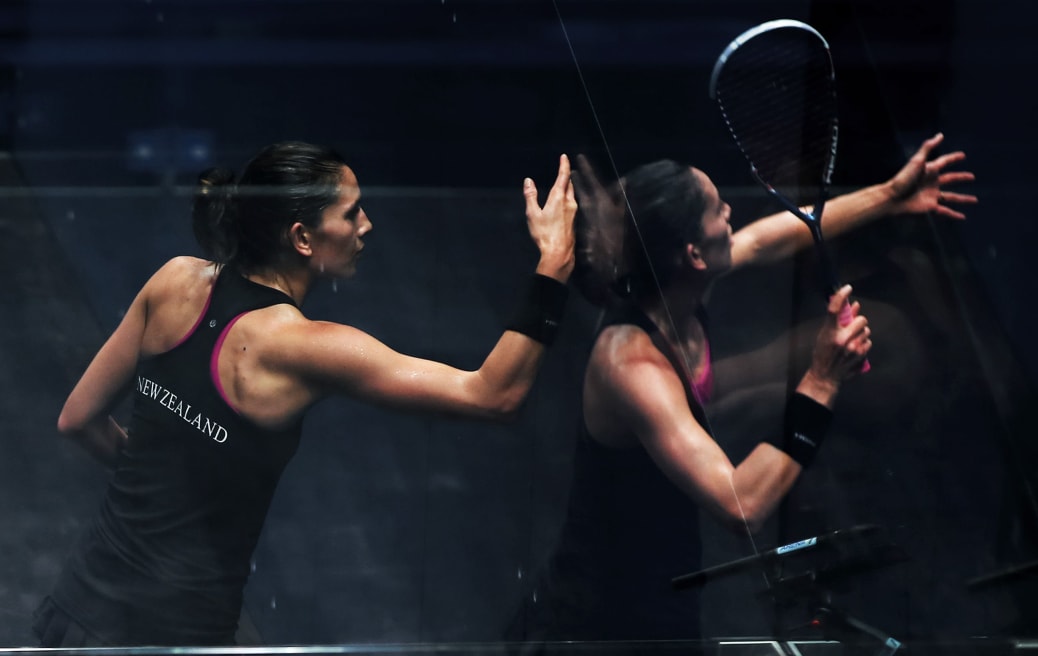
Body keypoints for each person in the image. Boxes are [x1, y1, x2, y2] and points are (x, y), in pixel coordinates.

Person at [35, 142, 577, 646]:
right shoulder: (307, 348)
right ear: (301, 238)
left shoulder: (174, 281)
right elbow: (493, 394)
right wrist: (552, 266)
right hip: (177, 635)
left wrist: (163, 489)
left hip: (78, 610)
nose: (367, 225)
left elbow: (77, 420)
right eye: (351, 213)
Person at [515, 133, 976, 643]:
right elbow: (742, 506)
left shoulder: (675, 286)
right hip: (601, 618)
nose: (731, 212)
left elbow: (768, 238)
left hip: (667, 579)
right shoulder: (631, 365)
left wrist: (890, 195)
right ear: (692, 254)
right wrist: (821, 380)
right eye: (717, 208)